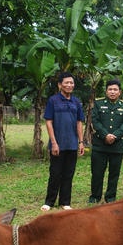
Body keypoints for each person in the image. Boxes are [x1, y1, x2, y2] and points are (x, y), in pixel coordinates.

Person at [41, 72, 85, 211]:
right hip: (57, 144)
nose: (69, 85)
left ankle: (65, 202)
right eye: (66, 82)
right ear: (60, 85)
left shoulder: (76, 102)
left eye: (71, 83)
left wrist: (81, 142)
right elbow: (49, 122)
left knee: (68, 174)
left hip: (72, 144)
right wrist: (54, 142)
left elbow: (79, 123)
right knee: (55, 173)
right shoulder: (53, 100)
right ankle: (49, 202)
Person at [89, 79, 123, 204]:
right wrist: (105, 135)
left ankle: (110, 197)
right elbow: (95, 121)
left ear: (119, 92)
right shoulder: (98, 103)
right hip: (100, 145)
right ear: (106, 91)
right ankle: (95, 196)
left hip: (116, 145)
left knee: (114, 174)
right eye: (110, 89)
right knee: (97, 173)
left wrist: (115, 136)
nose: (112, 92)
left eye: (115, 90)